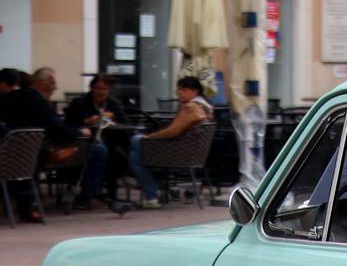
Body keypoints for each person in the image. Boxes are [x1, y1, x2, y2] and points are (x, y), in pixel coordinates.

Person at [3, 68, 110, 216]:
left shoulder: (10, 98)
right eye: (52, 83)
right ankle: (89, 195)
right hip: (34, 152)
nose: (55, 87)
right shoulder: (40, 102)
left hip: (12, 151)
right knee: (97, 150)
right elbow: (59, 130)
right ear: (42, 83)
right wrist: (80, 132)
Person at [121, 76, 216, 211]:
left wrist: (149, 137)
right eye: (178, 89)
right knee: (136, 152)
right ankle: (148, 190)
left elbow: (173, 131)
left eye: (183, 89)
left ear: (195, 91)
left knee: (135, 144)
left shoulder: (190, 107)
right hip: (192, 153)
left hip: (178, 153)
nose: (179, 92)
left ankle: (150, 195)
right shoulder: (206, 107)